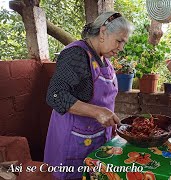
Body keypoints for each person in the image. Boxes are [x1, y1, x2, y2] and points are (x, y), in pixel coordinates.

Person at [44, 11, 133, 179]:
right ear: (103, 32)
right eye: (119, 41)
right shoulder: (76, 54)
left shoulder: (103, 59)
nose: (121, 48)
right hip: (73, 141)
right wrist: (97, 112)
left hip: (97, 138)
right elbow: (55, 95)